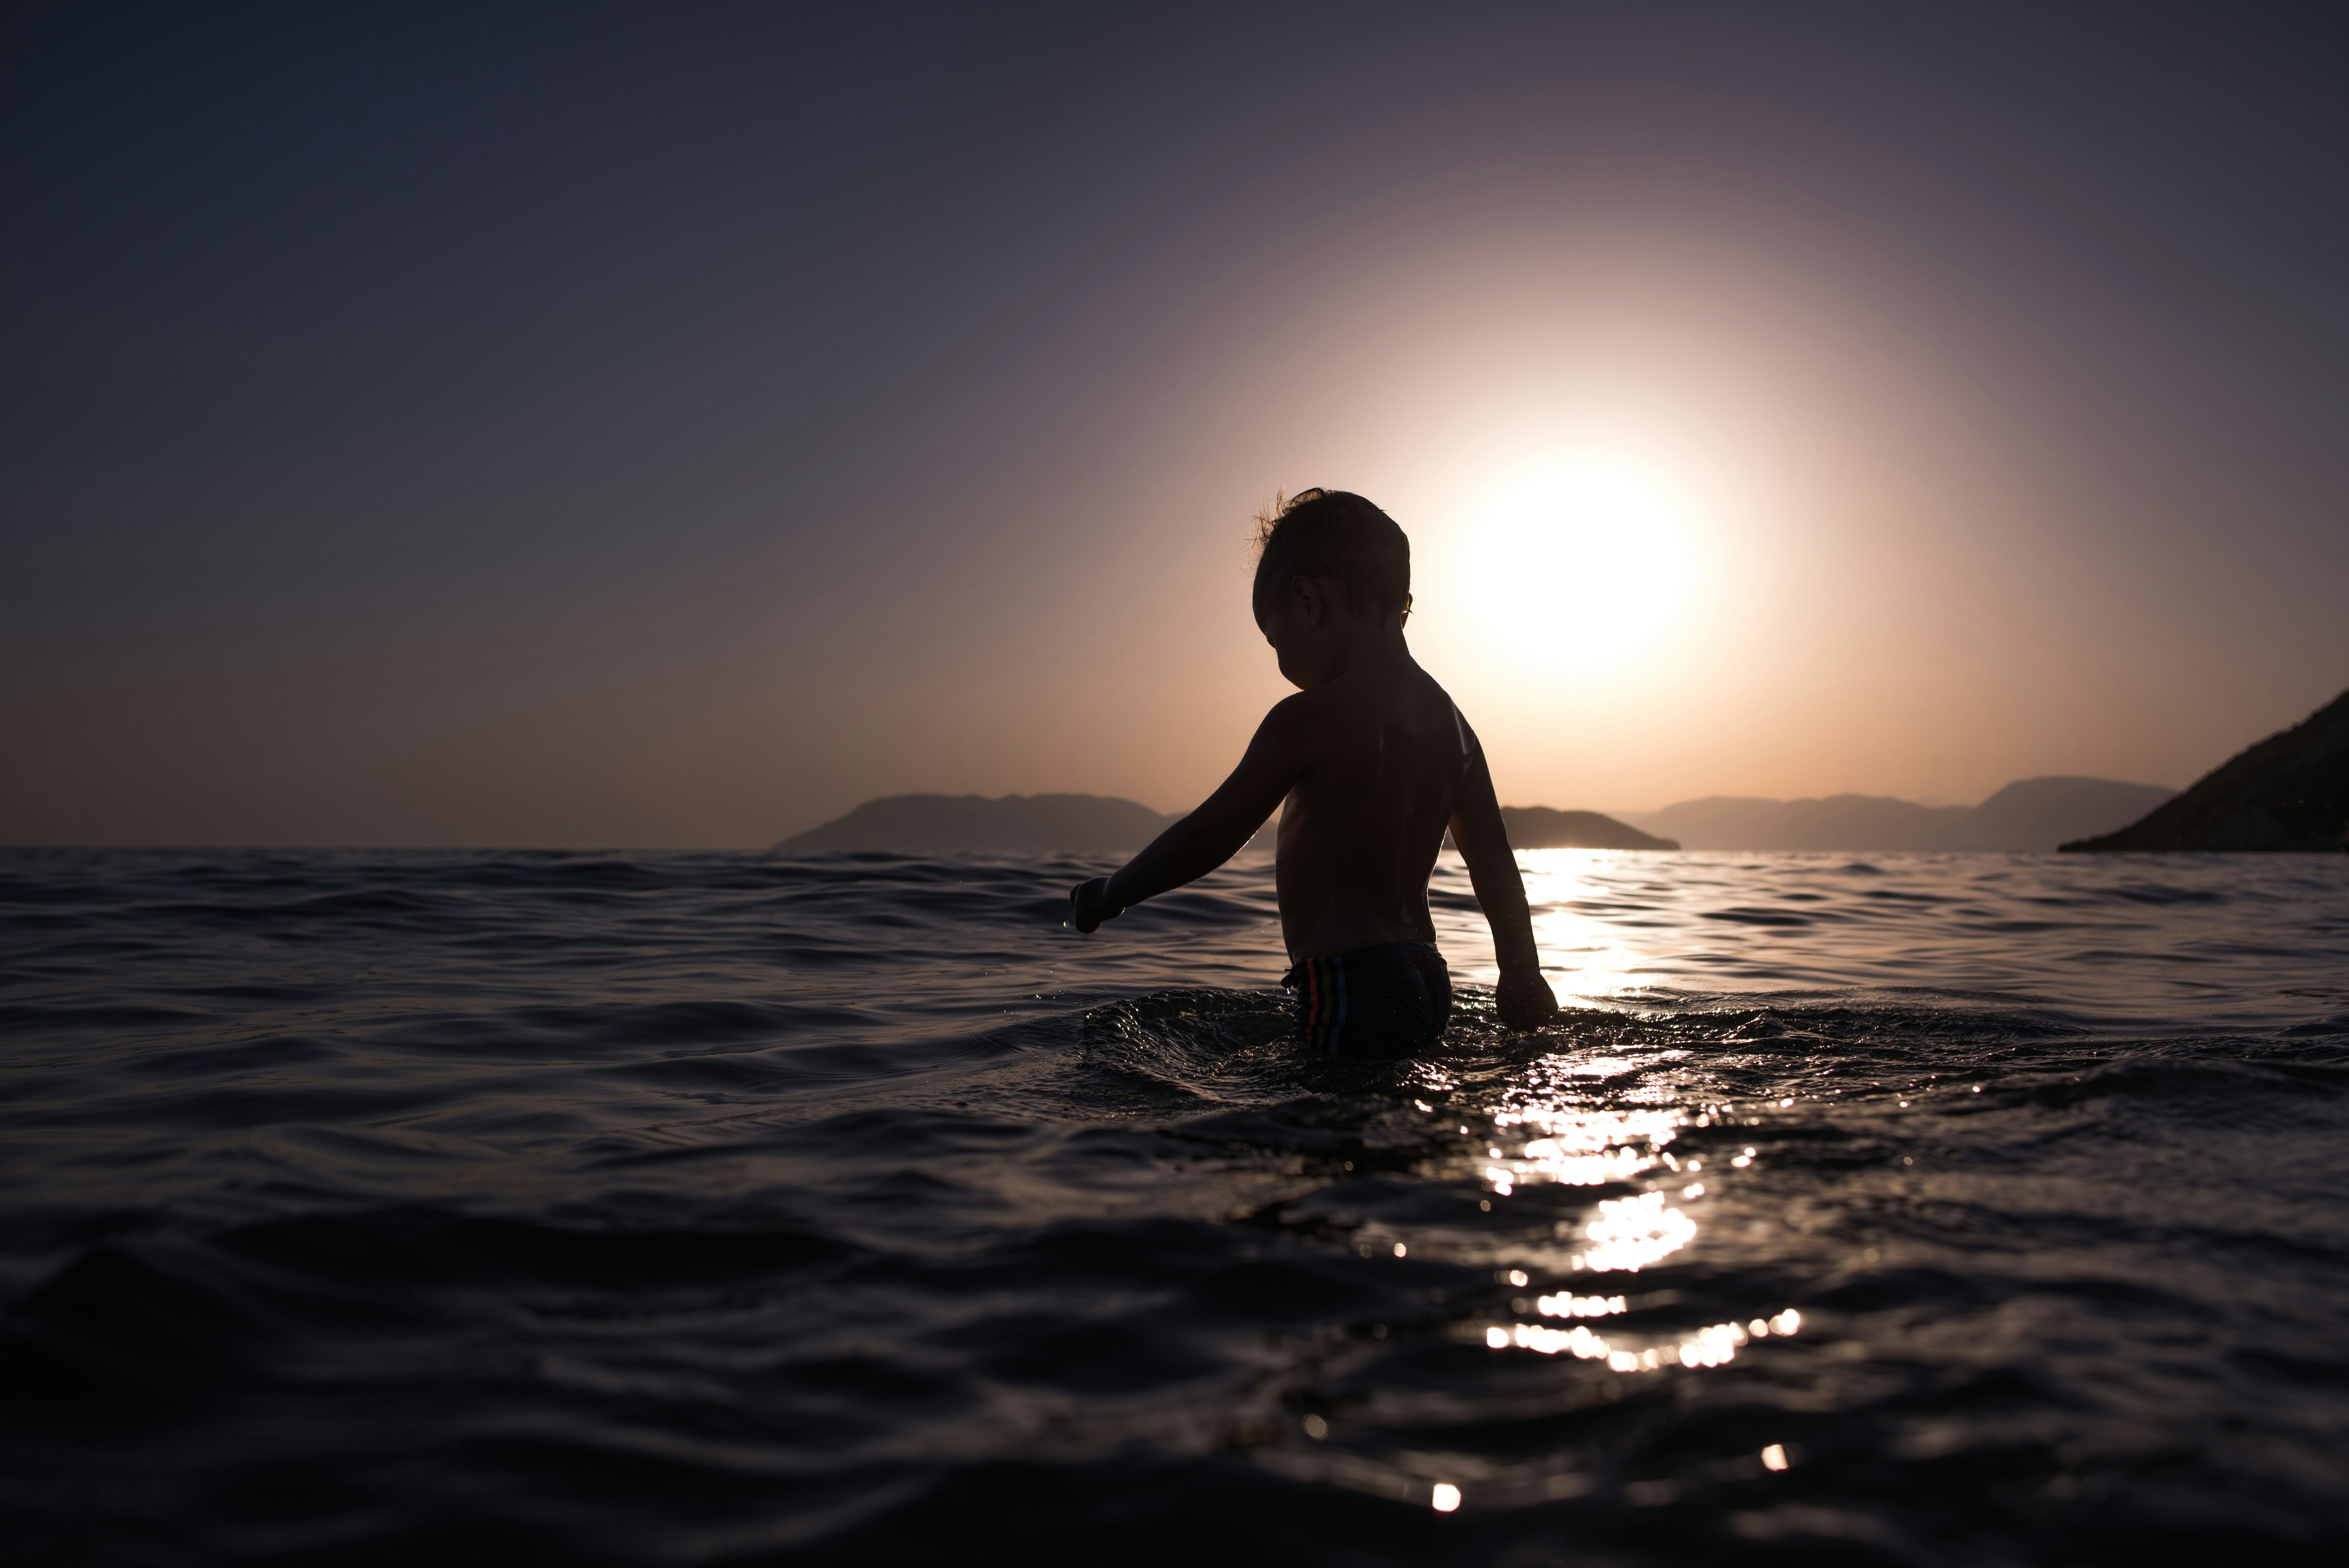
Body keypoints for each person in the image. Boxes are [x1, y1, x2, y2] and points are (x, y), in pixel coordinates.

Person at [1070, 488, 1559, 1056]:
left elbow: (1213, 832)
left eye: (1275, 641)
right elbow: (1494, 859)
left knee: (1323, 1133)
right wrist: (1521, 972)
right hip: (1426, 975)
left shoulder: (1308, 720)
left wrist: (1114, 892)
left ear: (1306, 602)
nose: (1280, 664)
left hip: (1347, 981)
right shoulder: (1452, 727)